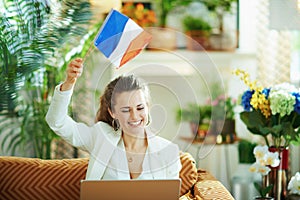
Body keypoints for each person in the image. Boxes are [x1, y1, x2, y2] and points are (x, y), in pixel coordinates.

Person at [46, 58, 182, 180]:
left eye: (140, 108)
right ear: (112, 112)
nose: (135, 116)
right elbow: (57, 122)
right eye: (126, 110)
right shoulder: (100, 136)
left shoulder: (169, 152)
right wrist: (69, 84)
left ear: (148, 107)